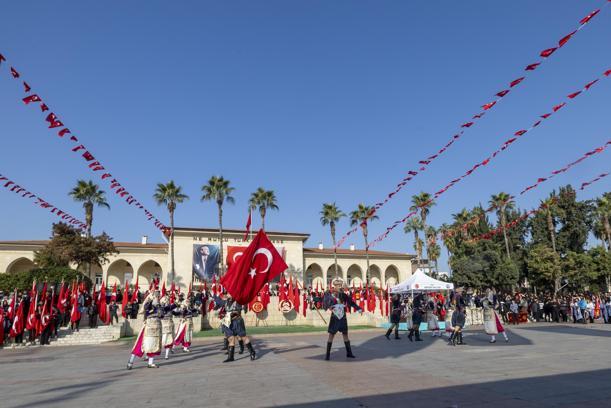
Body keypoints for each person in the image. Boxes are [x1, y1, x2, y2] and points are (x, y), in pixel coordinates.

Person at [322, 279, 362, 361]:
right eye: (338, 285)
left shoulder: (343, 295)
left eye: (341, 285)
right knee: (331, 335)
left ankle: (349, 353)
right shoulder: (329, 295)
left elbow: (351, 302)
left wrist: (358, 308)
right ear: (334, 286)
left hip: (342, 317)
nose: (340, 287)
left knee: (345, 334)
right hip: (335, 317)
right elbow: (325, 304)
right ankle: (327, 355)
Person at [127, 291, 162, 370]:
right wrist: (150, 299)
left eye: (158, 297)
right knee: (140, 345)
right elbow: (145, 307)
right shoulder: (149, 305)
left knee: (153, 345)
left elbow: (162, 314)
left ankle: (150, 363)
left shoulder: (158, 306)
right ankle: (130, 362)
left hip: (156, 328)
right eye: (157, 297)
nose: (158, 298)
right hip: (148, 328)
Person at [160, 294, 177, 360]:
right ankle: (148, 356)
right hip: (163, 326)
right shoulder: (162, 308)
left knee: (169, 340)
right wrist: (175, 304)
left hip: (170, 325)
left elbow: (175, 313)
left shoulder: (170, 308)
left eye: (167, 300)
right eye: (166, 300)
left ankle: (167, 355)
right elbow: (167, 308)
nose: (167, 301)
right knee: (162, 340)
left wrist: (181, 312)